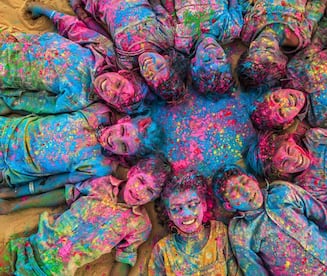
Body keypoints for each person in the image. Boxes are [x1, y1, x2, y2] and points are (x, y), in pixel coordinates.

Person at [212, 164, 327, 274]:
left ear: (253, 179)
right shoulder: (240, 231)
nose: (245, 191)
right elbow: (255, 272)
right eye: (234, 192)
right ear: (229, 205)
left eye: (245, 182)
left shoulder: (282, 193)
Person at [0, 154, 172, 275]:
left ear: (155, 197)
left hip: (54, 272)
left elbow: (124, 259)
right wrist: (14, 206)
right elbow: (65, 194)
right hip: (28, 247)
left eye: (150, 191)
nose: (140, 191)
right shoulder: (102, 184)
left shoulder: (140, 225)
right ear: (132, 172)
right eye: (140, 181)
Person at [0, 5, 148, 116]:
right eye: (118, 84)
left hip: (7, 72)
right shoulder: (103, 52)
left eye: (114, 97)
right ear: (122, 73)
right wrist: (46, 11)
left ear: (111, 104)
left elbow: (39, 103)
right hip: (17, 41)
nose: (109, 88)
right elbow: (74, 28)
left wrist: (8, 99)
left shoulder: (78, 99)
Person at [0, 102, 163, 198]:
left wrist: (16, 194)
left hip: (11, 170)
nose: (113, 140)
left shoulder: (101, 166)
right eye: (122, 131)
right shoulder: (98, 112)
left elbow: (56, 181)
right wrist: (9, 104)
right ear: (125, 120)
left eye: (124, 146)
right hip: (8, 130)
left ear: (128, 156)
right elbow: (48, 107)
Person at [66, 0, 186, 102]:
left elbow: (102, 36)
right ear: (167, 59)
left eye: (150, 75)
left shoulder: (126, 62)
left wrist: (81, 12)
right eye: (159, 67)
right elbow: (158, 6)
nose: (150, 66)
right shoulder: (165, 37)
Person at [148, 171, 240, 275]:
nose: (186, 214)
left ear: (204, 204)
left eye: (193, 204)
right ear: (169, 214)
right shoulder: (162, 250)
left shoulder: (219, 233)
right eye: (176, 209)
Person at [237, 0, 327, 89]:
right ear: (280, 55)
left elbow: (245, 6)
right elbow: (315, 11)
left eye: (254, 48)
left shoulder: (247, 33)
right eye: (269, 48)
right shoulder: (296, 37)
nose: (262, 41)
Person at [161, 0, 243, 95]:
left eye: (207, 59)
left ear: (193, 63)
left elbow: (170, 13)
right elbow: (234, 4)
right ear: (227, 57)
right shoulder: (230, 30)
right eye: (220, 57)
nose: (212, 51)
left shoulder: (181, 40)